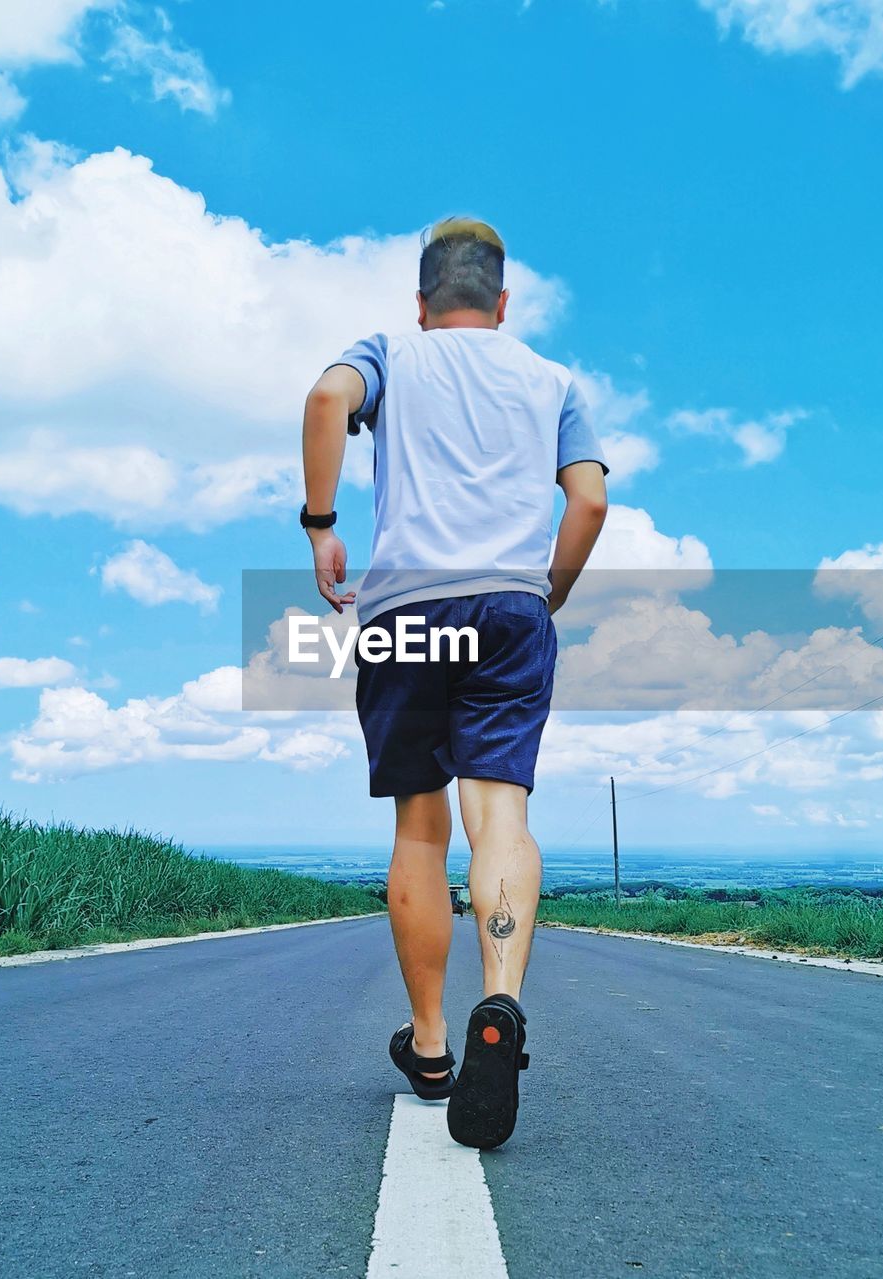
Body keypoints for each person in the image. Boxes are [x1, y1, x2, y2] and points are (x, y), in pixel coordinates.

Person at [299, 217, 608, 1149]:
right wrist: (544, 590)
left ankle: (432, 1047)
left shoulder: (390, 352)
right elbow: (589, 499)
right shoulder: (554, 381)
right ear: (503, 303)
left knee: (419, 829)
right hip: (509, 611)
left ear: (422, 302)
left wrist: (321, 525)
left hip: (403, 613)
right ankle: (500, 1003)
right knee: (500, 817)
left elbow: (324, 401)